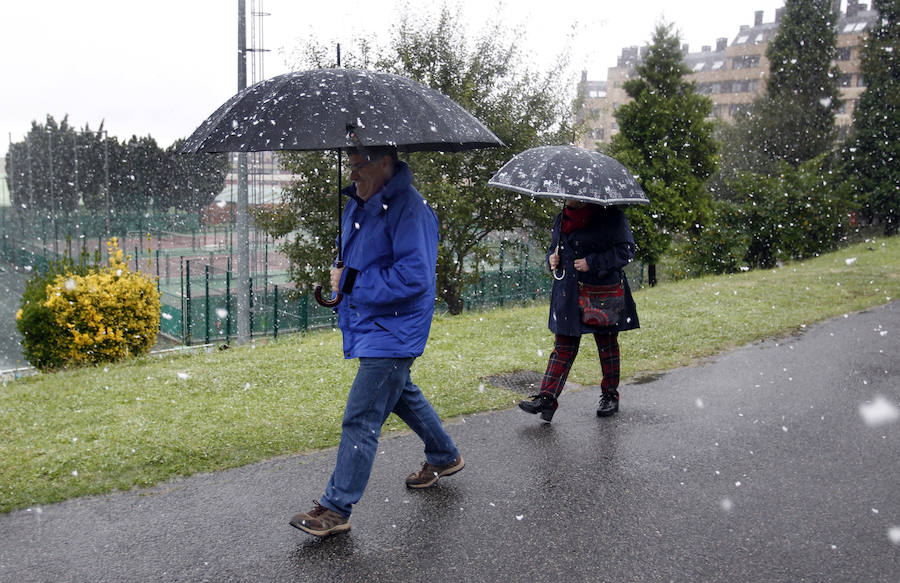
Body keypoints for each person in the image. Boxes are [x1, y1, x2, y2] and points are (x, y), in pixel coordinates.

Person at [290, 146, 463, 537]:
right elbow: (363, 260)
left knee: (361, 417)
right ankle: (444, 455)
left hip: (394, 330)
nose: (352, 175)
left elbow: (414, 278)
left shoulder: (411, 210)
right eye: (350, 166)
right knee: (401, 393)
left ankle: (335, 509)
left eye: (359, 166)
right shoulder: (360, 203)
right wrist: (344, 277)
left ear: (385, 163)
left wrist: (352, 281)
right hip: (373, 324)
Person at [519, 199, 640, 422]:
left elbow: (626, 251)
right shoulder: (562, 217)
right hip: (568, 293)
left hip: (601, 292)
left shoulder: (611, 216)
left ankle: (610, 395)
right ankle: (547, 398)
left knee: (607, 346)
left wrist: (592, 262)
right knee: (563, 347)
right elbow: (555, 248)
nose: (568, 197)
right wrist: (551, 258)